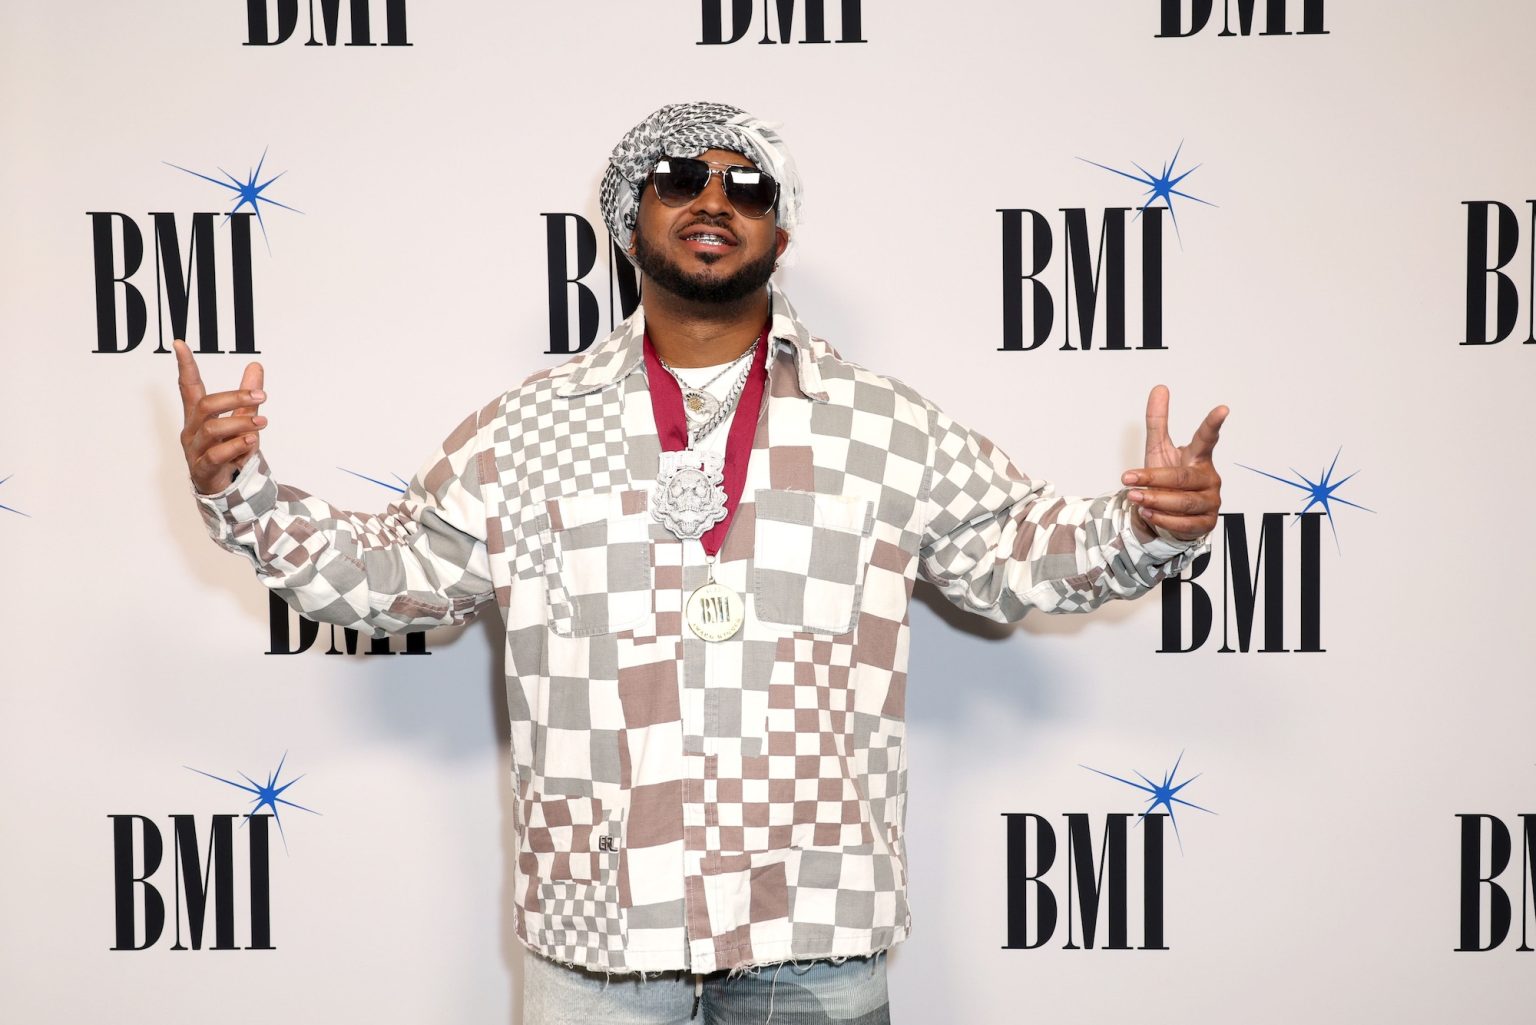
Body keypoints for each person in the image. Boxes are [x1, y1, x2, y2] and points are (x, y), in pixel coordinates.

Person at [174, 101, 1226, 1025]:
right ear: (630, 216)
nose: (713, 199)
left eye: (748, 184)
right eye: (679, 178)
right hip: (600, 934)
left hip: (813, 924)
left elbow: (1013, 556)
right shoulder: (525, 430)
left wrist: (1150, 525)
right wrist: (241, 489)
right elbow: (392, 574)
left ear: (780, 226)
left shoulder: (884, 424)